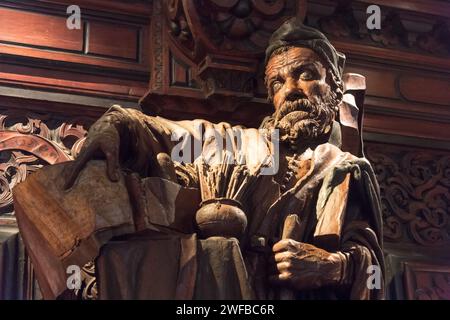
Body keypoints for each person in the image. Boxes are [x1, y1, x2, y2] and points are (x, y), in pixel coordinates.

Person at [20, 18, 385, 300]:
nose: (290, 91)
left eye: (306, 75)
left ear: (334, 87)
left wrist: (332, 267)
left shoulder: (343, 169)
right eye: (277, 83)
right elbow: (161, 132)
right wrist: (115, 127)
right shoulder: (235, 144)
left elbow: (372, 268)